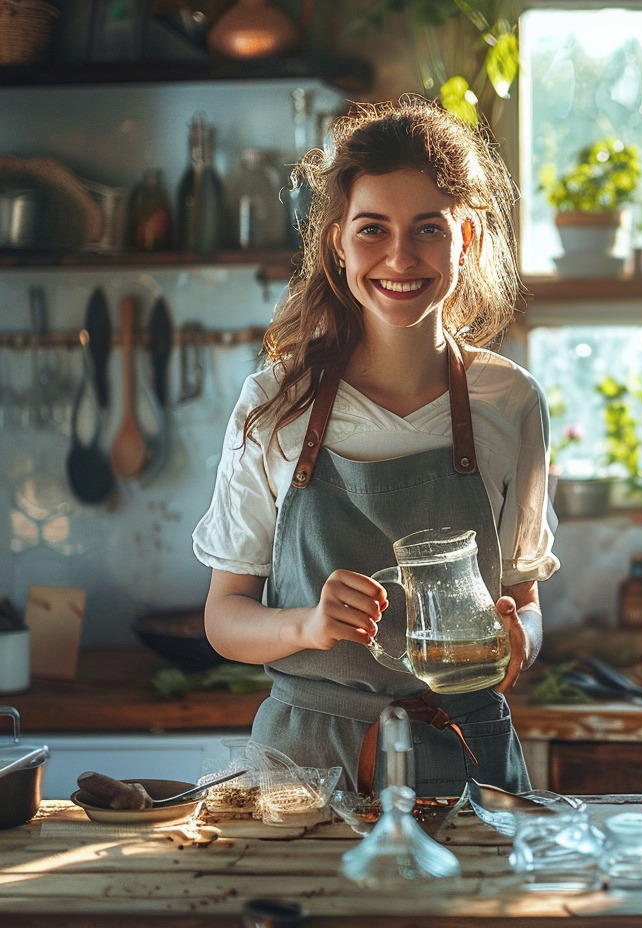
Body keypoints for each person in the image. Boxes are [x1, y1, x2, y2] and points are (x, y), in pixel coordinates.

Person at [192, 96, 559, 798]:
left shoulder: (510, 403)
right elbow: (224, 617)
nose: (399, 256)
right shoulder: (274, 404)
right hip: (300, 778)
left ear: (468, 240)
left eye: (428, 228)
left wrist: (522, 640)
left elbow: (525, 600)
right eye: (372, 229)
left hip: (464, 770)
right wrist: (308, 622)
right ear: (337, 241)